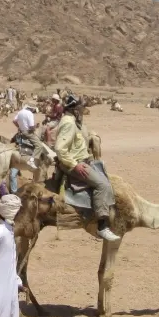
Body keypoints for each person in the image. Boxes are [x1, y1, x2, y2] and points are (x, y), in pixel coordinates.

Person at [54, 94, 120, 243]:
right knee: (102, 185)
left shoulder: (74, 122)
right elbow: (60, 148)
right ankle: (102, 226)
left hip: (82, 159)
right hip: (73, 164)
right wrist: (75, 165)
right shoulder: (69, 123)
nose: (83, 109)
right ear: (75, 108)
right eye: (81, 107)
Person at [13, 104, 42, 170]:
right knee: (39, 146)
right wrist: (36, 126)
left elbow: (14, 121)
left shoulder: (20, 112)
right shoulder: (30, 114)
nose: (33, 111)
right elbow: (31, 127)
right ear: (31, 108)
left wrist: (19, 127)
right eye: (33, 110)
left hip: (21, 132)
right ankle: (31, 160)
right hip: (28, 133)